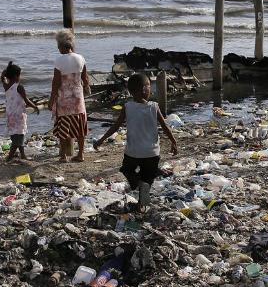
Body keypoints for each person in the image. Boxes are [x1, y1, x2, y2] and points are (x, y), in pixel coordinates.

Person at [93, 73, 179, 212]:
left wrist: (101, 141)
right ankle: (142, 204)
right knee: (147, 179)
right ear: (144, 90)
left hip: (133, 152)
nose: (150, 90)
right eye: (149, 87)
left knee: (127, 170)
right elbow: (165, 126)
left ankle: (140, 193)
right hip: (152, 153)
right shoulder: (154, 107)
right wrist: (173, 142)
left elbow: (115, 126)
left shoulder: (127, 107)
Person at [50, 29, 90, 162]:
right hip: (78, 99)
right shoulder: (81, 58)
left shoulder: (59, 61)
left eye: (58, 46)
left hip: (64, 100)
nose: (58, 49)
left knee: (63, 127)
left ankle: (63, 156)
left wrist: (51, 99)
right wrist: (86, 90)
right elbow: (85, 79)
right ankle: (81, 154)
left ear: (62, 46)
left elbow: (56, 83)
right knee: (80, 126)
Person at [1, 61, 40, 161]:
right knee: (19, 137)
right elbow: (26, 100)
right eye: (19, 75)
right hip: (19, 116)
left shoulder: (6, 86)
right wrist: (35, 107)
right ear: (16, 76)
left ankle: (22, 155)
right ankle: (9, 157)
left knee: (15, 136)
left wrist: (5, 72)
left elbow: (2, 78)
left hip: (10, 116)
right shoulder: (19, 87)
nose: (20, 77)